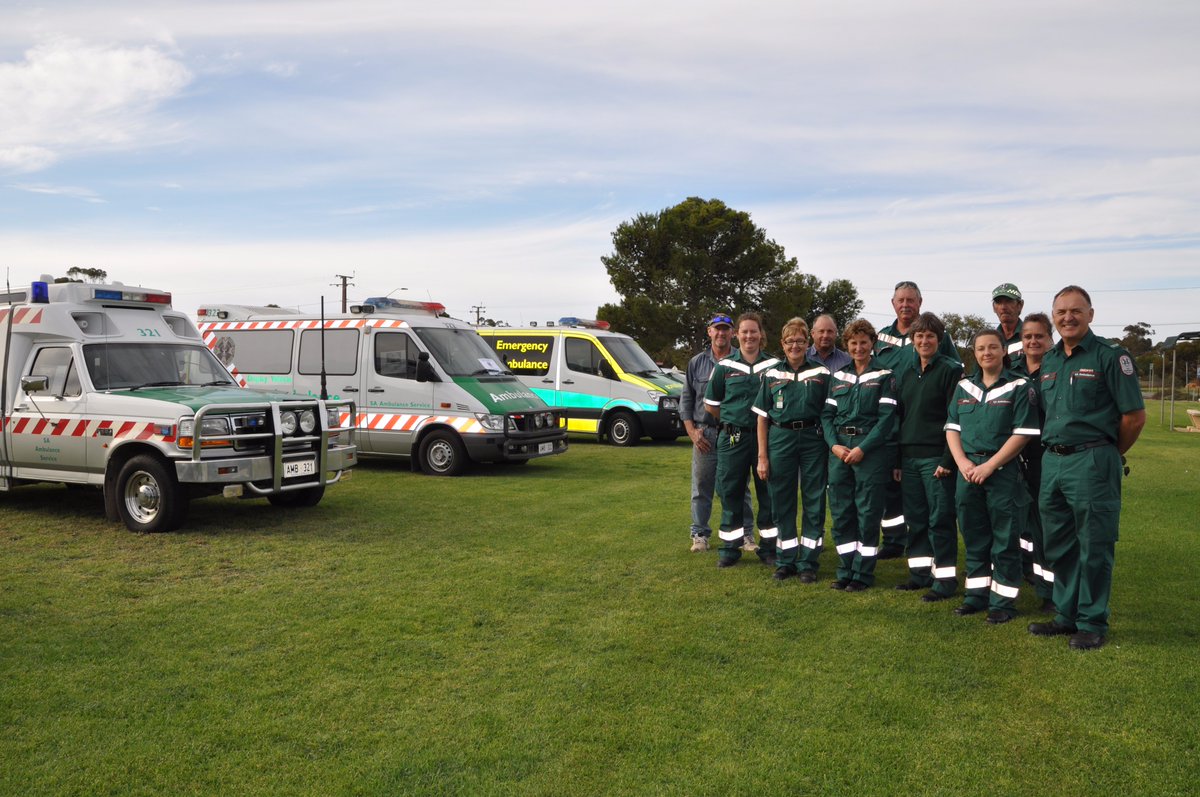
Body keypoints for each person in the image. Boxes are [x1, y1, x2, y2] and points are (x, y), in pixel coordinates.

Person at [1029, 286, 1145, 650]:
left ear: (1091, 314)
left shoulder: (1111, 356)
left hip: (1092, 460)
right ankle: (1065, 615)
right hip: (1053, 461)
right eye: (1061, 312)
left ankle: (1092, 621)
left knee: (1094, 544)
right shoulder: (1049, 361)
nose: (1068, 317)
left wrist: (1108, 452)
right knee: (1059, 545)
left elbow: (1134, 417)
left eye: (1076, 311)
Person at [945, 329, 1040, 623]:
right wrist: (962, 462)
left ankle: (1002, 602)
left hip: (1001, 473)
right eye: (981, 349)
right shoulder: (964, 387)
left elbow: (1022, 434)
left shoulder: (1019, 386)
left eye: (992, 348)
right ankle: (976, 595)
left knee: (1004, 540)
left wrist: (990, 466)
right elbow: (952, 428)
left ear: (1003, 352)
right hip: (968, 473)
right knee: (974, 537)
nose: (986, 353)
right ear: (974, 354)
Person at [873, 281, 959, 558]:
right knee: (894, 488)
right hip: (892, 419)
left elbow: (954, 372)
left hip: (928, 426)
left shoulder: (935, 333)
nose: (906, 305)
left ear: (920, 303)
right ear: (893, 304)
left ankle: (934, 559)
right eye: (901, 300)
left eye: (911, 300)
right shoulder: (882, 337)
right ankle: (894, 542)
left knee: (932, 506)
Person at [821, 319, 898, 591]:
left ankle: (863, 574)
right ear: (847, 345)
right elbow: (827, 415)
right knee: (842, 512)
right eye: (853, 343)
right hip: (840, 449)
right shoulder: (838, 376)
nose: (858, 347)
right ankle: (845, 570)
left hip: (870, 450)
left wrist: (863, 448)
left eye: (863, 342)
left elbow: (886, 420)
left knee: (867, 513)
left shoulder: (885, 375)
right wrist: (834, 445)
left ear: (872, 343)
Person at [754, 318, 831, 582]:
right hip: (780, 438)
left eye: (800, 340)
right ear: (782, 344)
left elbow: (830, 415)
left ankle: (808, 561)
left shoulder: (822, 374)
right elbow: (762, 417)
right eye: (790, 341)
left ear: (807, 343)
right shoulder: (772, 374)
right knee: (781, 500)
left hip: (813, 439)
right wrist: (762, 456)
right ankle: (786, 559)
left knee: (813, 500)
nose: (795, 345)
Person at [893, 312, 963, 602]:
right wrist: (897, 460)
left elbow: (955, 419)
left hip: (936, 458)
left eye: (930, 336)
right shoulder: (905, 372)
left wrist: (948, 460)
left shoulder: (951, 370)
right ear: (912, 340)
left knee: (940, 519)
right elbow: (900, 417)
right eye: (919, 336)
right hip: (908, 458)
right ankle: (919, 574)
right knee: (916, 519)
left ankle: (944, 581)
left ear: (939, 340)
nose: (924, 341)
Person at [705, 312, 779, 568]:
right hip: (733, 437)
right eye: (744, 331)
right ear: (737, 334)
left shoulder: (773, 366)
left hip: (766, 438)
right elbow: (712, 405)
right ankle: (730, 547)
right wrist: (733, 420)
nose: (749, 336)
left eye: (753, 331)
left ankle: (769, 547)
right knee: (731, 490)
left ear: (761, 334)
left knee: (768, 491)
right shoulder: (725, 366)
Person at [681, 313, 754, 553]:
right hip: (706, 434)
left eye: (726, 329)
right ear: (709, 331)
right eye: (717, 329)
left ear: (732, 333)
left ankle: (746, 535)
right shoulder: (696, 363)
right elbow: (687, 399)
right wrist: (692, 432)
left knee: (738, 485)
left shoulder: (742, 360)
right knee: (702, 485)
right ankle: (699, 534)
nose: (721, 333)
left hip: (734, 433)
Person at [1011, 312, 1055, 611]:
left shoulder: (1058, 369)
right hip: (1013, 457)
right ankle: (1013, 572)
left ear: (1050, 339)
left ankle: (1049, 592)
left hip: (1045, 457)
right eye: (1028, 336)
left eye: (1039, 335)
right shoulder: (1011, 371)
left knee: (1045, 527)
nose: (1033, 341)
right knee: (1013, 523)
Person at [992, 283, 1026, 357]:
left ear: (1020, 305)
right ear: (994, 307)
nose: (1003, 307)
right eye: (998, 302)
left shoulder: (1032, 337)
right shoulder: (990, 341)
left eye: (1009, 301)